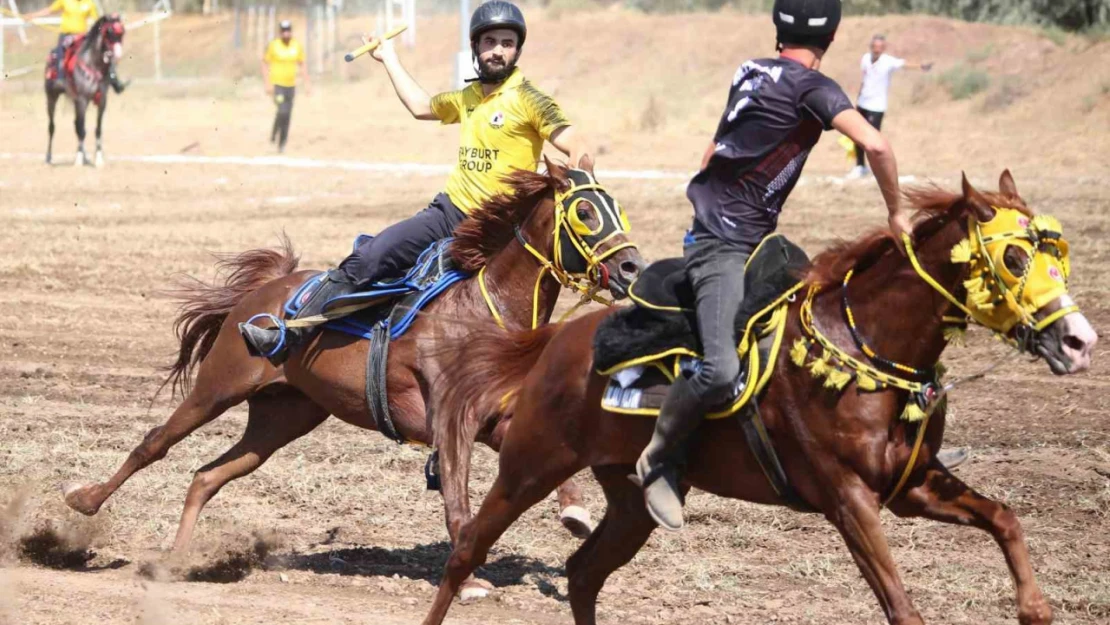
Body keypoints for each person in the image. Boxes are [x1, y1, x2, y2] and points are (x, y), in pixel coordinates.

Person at [634, 0, 915, 531]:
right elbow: (875, 144)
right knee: (719, 369)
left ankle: (886, 448)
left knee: (824, 336)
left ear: (778, 29)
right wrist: (897, 212)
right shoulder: (816, 89)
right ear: (831, 37)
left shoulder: (751, 71)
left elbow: (712, 149)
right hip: (721, 245)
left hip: (759, 242)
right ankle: (659, 458)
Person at [241, 0, 584, 363]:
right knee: (371, 256)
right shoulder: (468, 96)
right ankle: (289, 332)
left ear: (517, 50)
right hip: (449, 213)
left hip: (499, 229)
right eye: (489, 42)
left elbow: (576, 145)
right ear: (475, 47)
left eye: (507, 43)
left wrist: (562, 180)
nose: (497, 50)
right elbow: (421, 106)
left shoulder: (530, 100)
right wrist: (388, 57)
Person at [848, 34, 932, 179]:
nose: (877, 50)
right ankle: (860, 166)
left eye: (880, 48)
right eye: (874, 47)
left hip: (877, 106)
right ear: (871, 47)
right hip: (863, 103)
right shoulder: (865, 59)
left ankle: (877, 169)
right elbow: (864, 79)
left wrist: (921, 66)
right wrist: (857, 101)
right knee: (857, 136)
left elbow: (904, 64)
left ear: (883, 49)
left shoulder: (888, 61)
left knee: (873, 140)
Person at [24, 0, 126, 93]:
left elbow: (98, 20)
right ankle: (60, 80)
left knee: (102, 54)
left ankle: (114, 81)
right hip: (66, 35)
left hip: (82, 37)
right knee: (60, 54)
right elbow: (50, 10)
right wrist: (32, 16)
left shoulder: (89, 3)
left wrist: (112, 18)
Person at [263, 20, 310, 153]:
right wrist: (267, 83)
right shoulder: (274, 45)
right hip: (278, 85)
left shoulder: (296, 46)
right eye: (283, 30)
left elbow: (302, 64)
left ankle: (282, 143)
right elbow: (265, 63)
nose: (286, 33)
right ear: (280, 32)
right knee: (282, 110)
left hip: (291, 86)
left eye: (288, 30)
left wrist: (307, 83)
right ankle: (274, 133)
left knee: (287, 114)